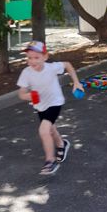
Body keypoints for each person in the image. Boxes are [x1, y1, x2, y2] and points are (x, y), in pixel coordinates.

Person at [17, 40, 84, 176]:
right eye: (29, 58)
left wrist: (76, 82)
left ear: (45, 57)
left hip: (55, 102)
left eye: (36, 57)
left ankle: (50, 161)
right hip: (40, 105)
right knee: (51, 130)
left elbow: (68, 65)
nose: (32, 61)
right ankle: (62, 144)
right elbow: (21, 94)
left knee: (43, 130)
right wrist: (28, 96)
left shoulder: (52, 68)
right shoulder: (26, 72)